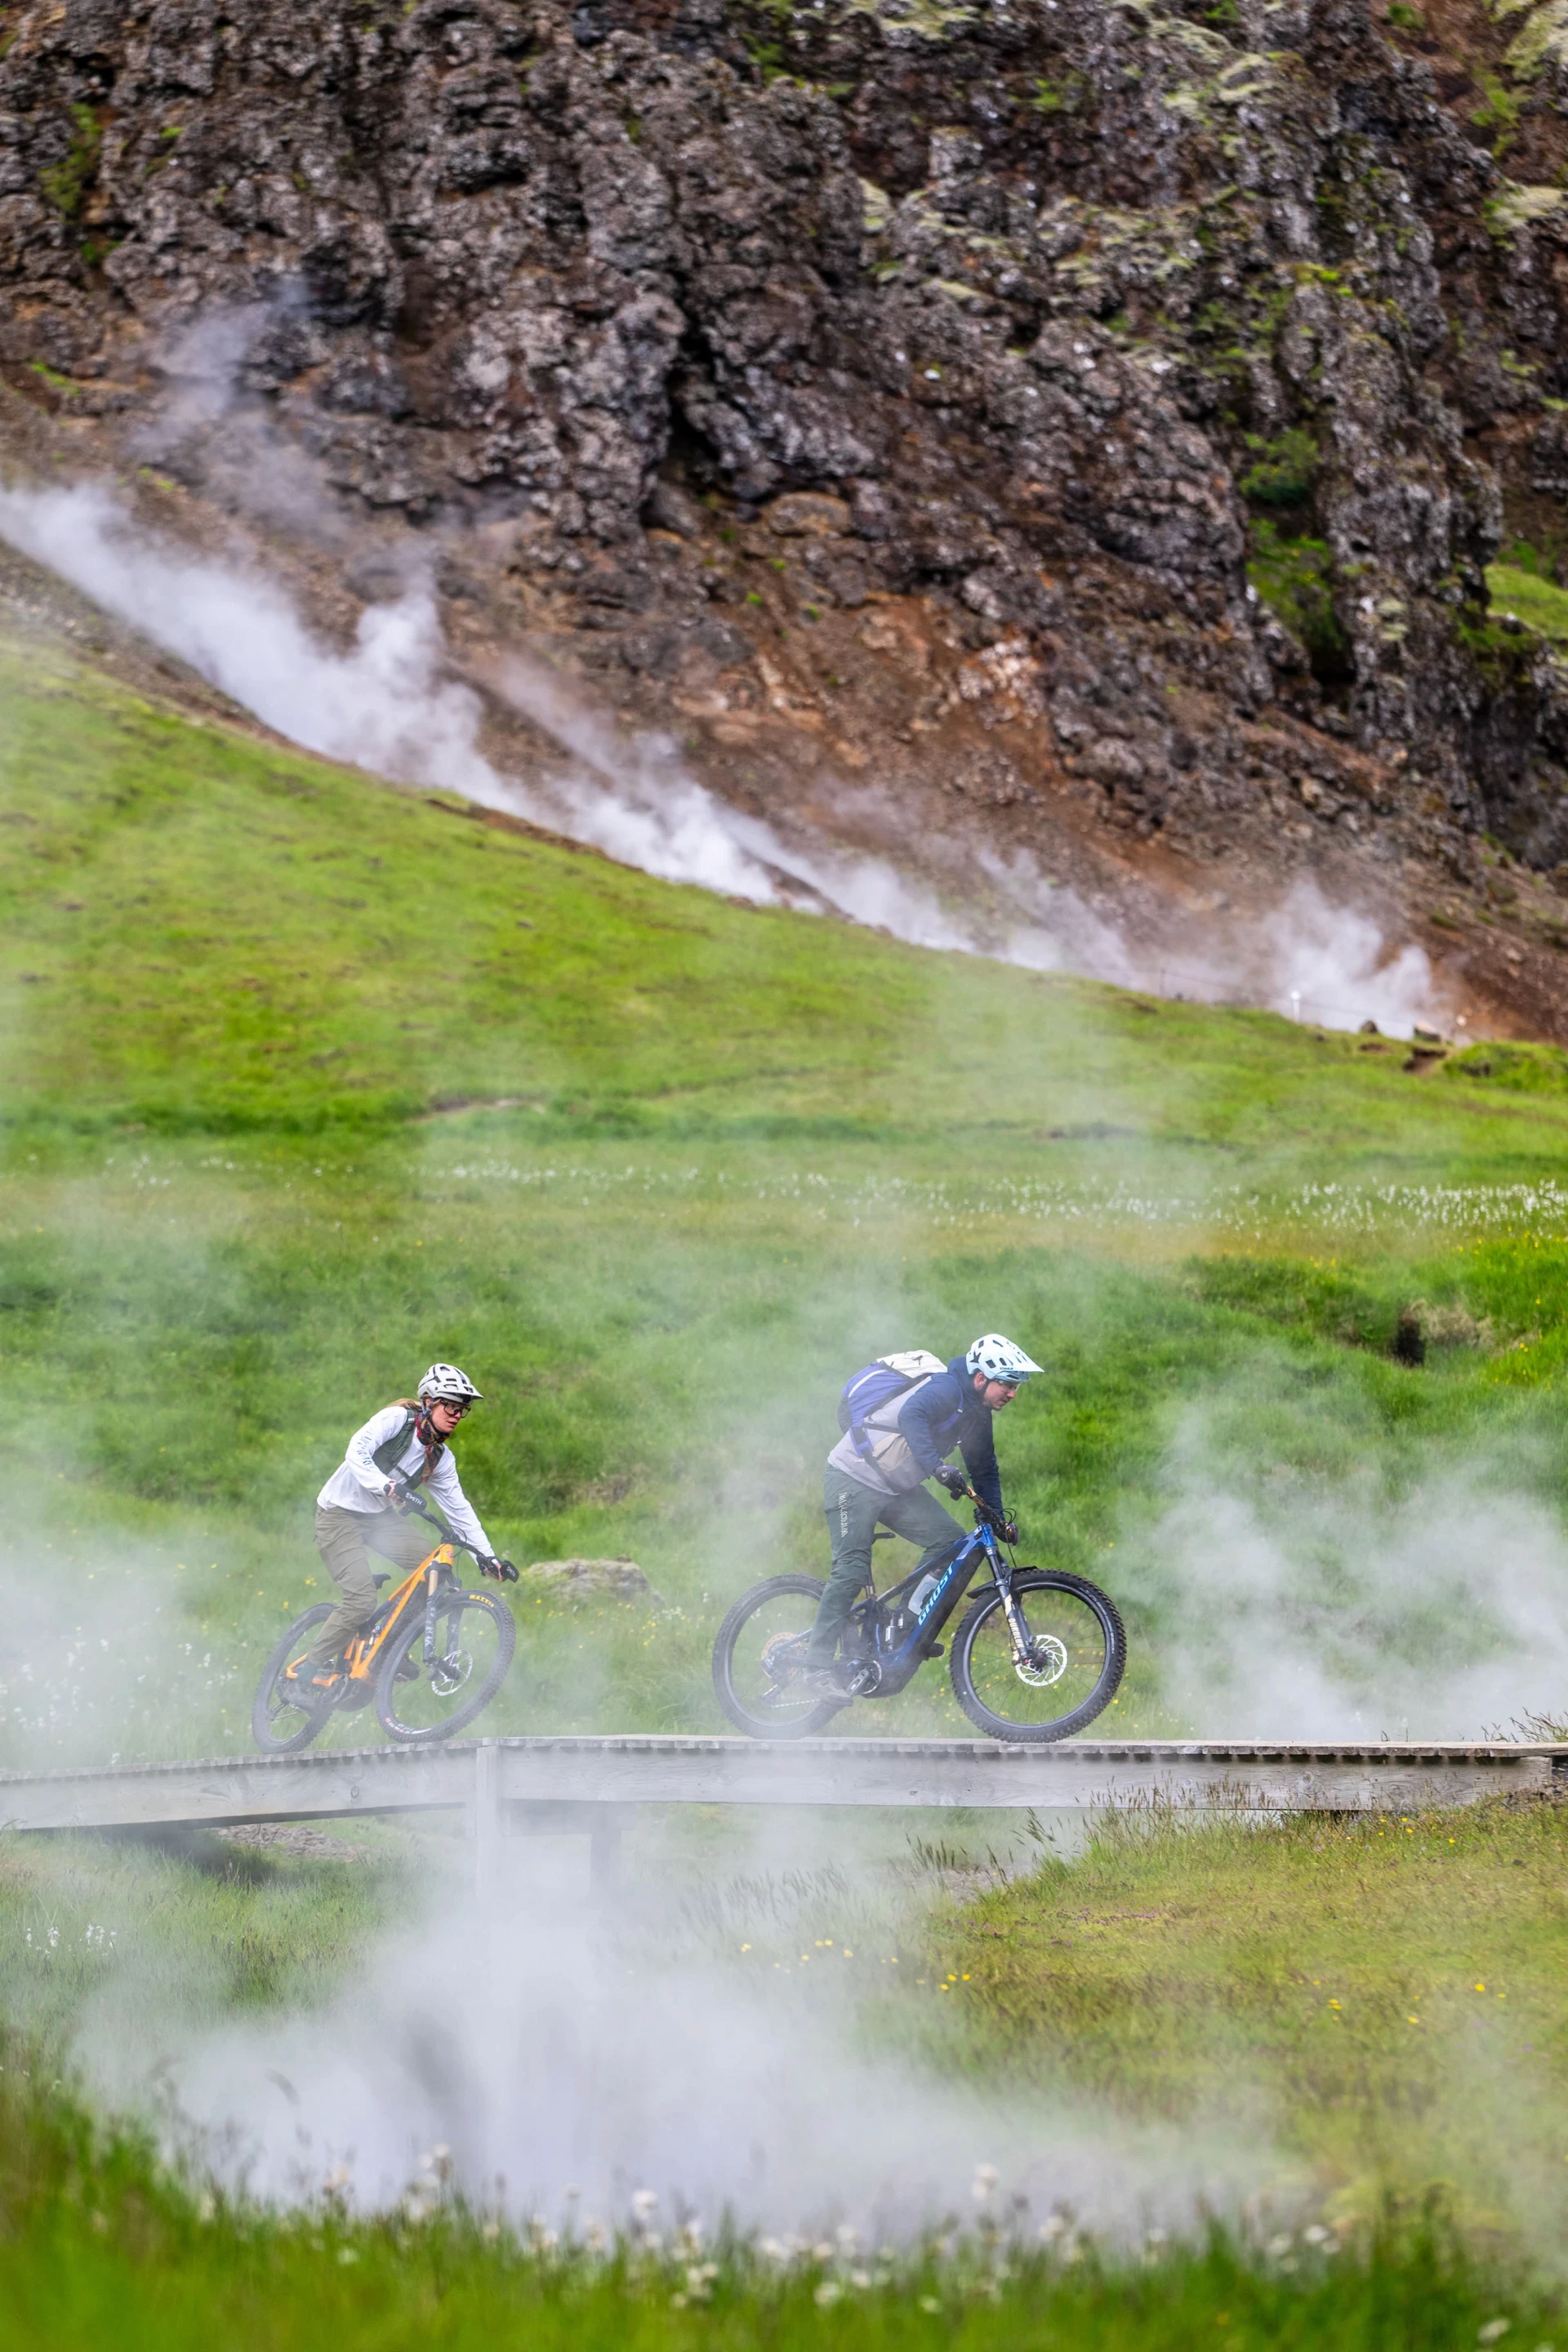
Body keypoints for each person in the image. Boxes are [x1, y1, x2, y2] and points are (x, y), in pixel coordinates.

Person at [802, 1334, 1042, 1688]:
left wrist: (995, 1517)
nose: (1012, 1393)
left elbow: (985, 1469)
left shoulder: (977, 1416)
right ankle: (816, 1667)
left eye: (1016, 1386)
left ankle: (903, 1624)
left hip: (894, 1488)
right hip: (852, 1479)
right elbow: (912, 1413)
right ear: (980, 1379)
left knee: (949, 1542)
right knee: (851, 1569)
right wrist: (936, 1467)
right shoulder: (946, 1389)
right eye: (1007, 1384)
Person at [285, 1363, 514, 1699]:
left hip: (379, 1518)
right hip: (338, 1513)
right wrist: (386, 1485)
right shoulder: (396, 1421)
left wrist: (488, 1557)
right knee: (361, 1601)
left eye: (462, 1409)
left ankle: (389, 1650)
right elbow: (356, 1451)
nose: (456, 1414)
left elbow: (459, 1510)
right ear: (428, 1401)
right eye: (449, 1405)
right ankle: (304, 1674)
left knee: (433, 1571)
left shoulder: (439, 1458)